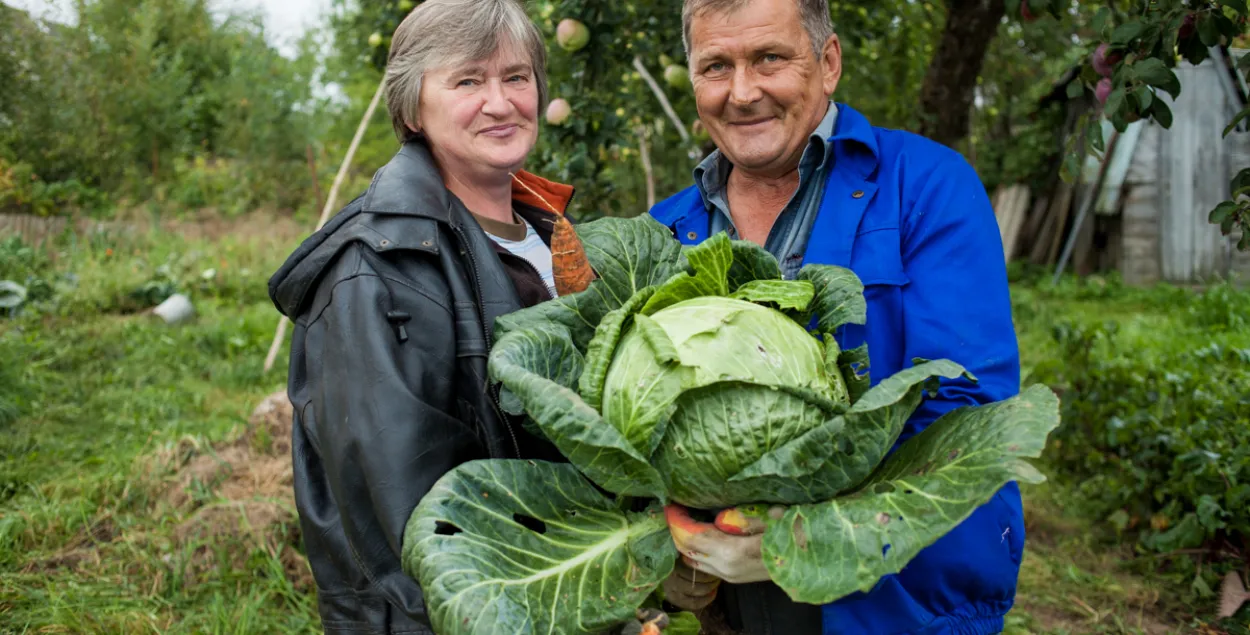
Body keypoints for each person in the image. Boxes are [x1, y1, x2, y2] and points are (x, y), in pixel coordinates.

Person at [648, 0, 1024, 633]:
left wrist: (804, 540)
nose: (742, 93)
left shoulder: (927, 187)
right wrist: (668, 547)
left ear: (828, 62)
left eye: (769, 58)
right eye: (716, 66)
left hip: (896, 603)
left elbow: (966, 413)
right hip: (731, 610)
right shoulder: (662, 230)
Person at [266, 1, 579, 632]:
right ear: (413, 108)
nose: (500, 102)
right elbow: (408, 518)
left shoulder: (555, 238)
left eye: (516, 77)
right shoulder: (377, 269)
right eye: (467, 81)